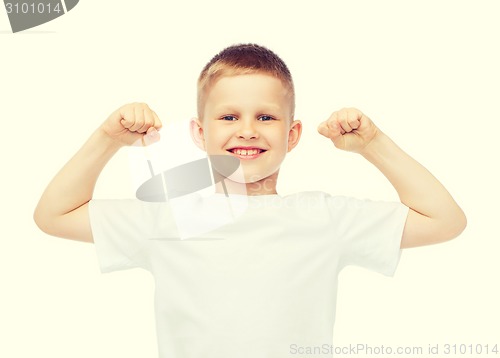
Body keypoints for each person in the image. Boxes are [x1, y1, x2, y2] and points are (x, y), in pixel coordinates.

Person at [34, 43, 466, 357]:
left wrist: (373, 144)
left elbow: (445, 220)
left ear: (292, 134)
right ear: (200, 134)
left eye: (265, 116)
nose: (247, 130)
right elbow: (53, 215)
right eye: (228, 117)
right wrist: (107, 139)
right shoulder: (167, 218)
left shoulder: (324, 217)